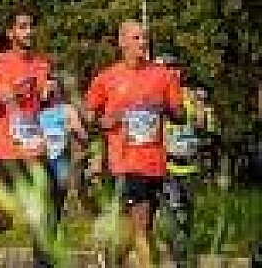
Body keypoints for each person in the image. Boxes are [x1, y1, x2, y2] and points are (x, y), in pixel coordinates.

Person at [85, 21, 184, 268]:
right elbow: (89, 115)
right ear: (122, 42)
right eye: (137, 38)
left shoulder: (164, 76)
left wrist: (163, 107)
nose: (143, 42)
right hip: (124, 163)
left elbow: (179, 114)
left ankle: (109, 259)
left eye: (145, 38)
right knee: (141, 224)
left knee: (141, 227)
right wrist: (106, 121)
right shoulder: (107, 78)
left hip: (155, 164)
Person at [0, 8, 54, 268]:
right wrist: (12, 94)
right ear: (10, 33)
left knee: (43, 208)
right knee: (4, 219)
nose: (29, 32)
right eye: (23, 27)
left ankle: (41, 263)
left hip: (32, 148)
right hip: (1, 150)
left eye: (31, 26)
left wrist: (50, 96)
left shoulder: (42, 65)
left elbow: (42, 106)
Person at [157, 53, 207, 268]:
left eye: (176, 68)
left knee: (187, 214)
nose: (174, 73)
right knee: (173, 213)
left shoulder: (191, 96)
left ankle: (182, 255)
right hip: (167, 167)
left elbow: (202, 126)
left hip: (190, 166)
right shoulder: (158, 96)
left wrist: (199, 106)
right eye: (168, 69)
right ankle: (178, 257)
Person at [38, 74, 87, 225]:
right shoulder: (37, 111)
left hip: (62, 155)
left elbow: (82, 134)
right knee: (46, 194)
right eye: (47, 89)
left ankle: (59, 222)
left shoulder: (67, 109)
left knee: (61, 189)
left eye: (53, 88)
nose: (50, 92)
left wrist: (72, 129)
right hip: (42, 157)